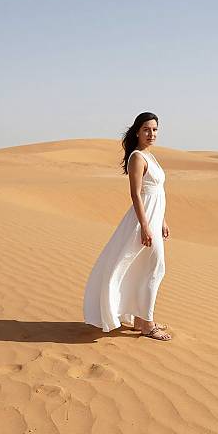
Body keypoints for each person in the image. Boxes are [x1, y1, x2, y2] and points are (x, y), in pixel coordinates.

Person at [83, 112, 172, 340]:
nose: (151, 134)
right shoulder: (137, 158)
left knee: (147, 268)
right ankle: (147, 324)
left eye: (154, 130)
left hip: (153, 218)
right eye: (146, 130)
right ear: (137, 132)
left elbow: (157, 193)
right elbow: (136, 194)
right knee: (155, 267)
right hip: (142, 221)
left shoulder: (150, 156)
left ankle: (142, 318)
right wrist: (145, 225)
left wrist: (162, 220)